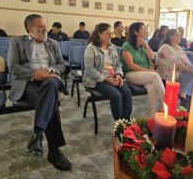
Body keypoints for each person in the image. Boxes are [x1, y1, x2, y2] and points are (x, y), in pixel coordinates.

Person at [7, 14, 72, 170]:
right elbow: (13, 67)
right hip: (28, 82)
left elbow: (62, 66)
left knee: (50, 85)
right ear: (30, 29)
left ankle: (38, 136)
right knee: (50, 103)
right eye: (40, 26)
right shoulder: (16, 42)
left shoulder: (53, 43)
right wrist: (35, 74)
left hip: (50, 79)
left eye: (45, 25)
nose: (45, 29)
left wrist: (48, 71)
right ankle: (53, 152)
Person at [83, 23, 132, 120]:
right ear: (99, 34)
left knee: (126, 92)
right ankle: (120, 125)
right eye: (107, 33)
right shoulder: (91, 48)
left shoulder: (112, 47)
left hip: (112, 77)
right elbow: (89, 69)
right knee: (116, 95)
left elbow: (118, 64)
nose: (111, 35)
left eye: (111, 33)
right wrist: (106, 79)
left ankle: (126, 122)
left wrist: (118, 75)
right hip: (96, 80)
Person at [122, 22, 165, 117]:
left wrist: (146, 46)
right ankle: (166, 105)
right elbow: (131, 65)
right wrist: (148, 71)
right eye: (143, 29)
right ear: (136, 32)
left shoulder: (143, 45)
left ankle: (152, 117)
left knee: (152, 89)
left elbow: (151, 57)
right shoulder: (126, 46)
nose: (145, 31)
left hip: (144, 75)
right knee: (154, 75)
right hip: (131, 74)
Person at [157, 29, 193, 109]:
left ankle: (183, 96)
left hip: (181, 72)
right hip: (169, 75)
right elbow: (177, 64)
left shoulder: (178, 48)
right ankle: (184, 96)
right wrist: (192, 71)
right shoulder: (165, 47)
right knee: (190, 72)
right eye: (178, 35)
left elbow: (186, 62)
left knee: (192, 68)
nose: (180, 36)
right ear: (171, 37)